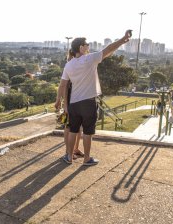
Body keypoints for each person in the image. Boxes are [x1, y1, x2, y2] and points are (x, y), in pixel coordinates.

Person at [60, 30, 132, 165]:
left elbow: (63, 85)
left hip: (74, 103)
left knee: (73, 130)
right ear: (81, 48)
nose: (88, 46)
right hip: (88, 103)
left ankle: (69, 157)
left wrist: (61, 102)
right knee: (87, 132)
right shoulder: (89, 59)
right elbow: (108, 49)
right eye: (86, 44)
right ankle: (86, 159)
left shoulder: (68, 65)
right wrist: (122, 40)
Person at [55, 51, 84, 160]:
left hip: (78, 103)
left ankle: (75, 149)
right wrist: (63, 105)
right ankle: (68, 151)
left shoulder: (80, 66)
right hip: (69, 104)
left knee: (78, 129)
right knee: (69, 128)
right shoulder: (70, 66)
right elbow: (63, 87)